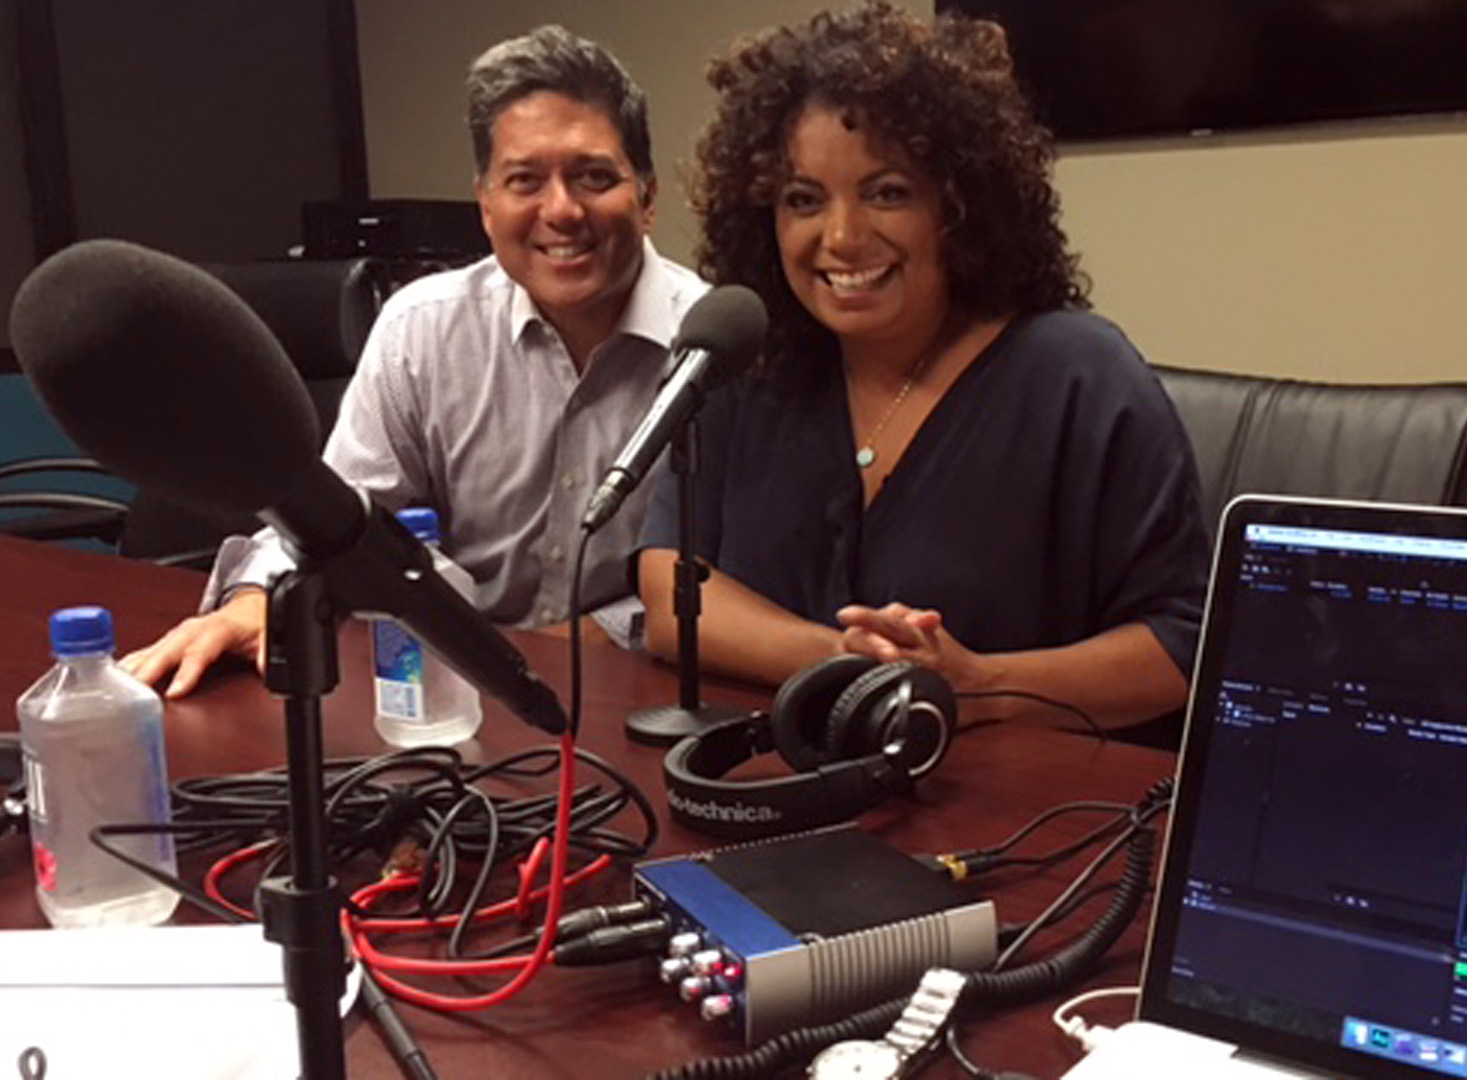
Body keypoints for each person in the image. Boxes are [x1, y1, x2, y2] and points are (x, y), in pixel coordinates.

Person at [637, 2, 1209, 730]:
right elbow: (670, 592)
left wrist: (976, 686)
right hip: (779, 786)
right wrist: (852, 666)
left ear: (959, 204)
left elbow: (1181, 647)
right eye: (803, 200)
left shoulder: (1080, 378)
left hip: (1019, 817)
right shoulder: (751, 360)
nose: (841, 237)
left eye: (888, 192)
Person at [124, 26, 706, 696]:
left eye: (594, 177)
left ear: (648, 197)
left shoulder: (714, 343)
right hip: (435, 695)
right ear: (486, 206)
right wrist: (258, 596)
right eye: (524, 181)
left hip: (636, 693)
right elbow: (337, 514)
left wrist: (572, 646)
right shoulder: (423, 329)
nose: (562, 210)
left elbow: (731, 578)